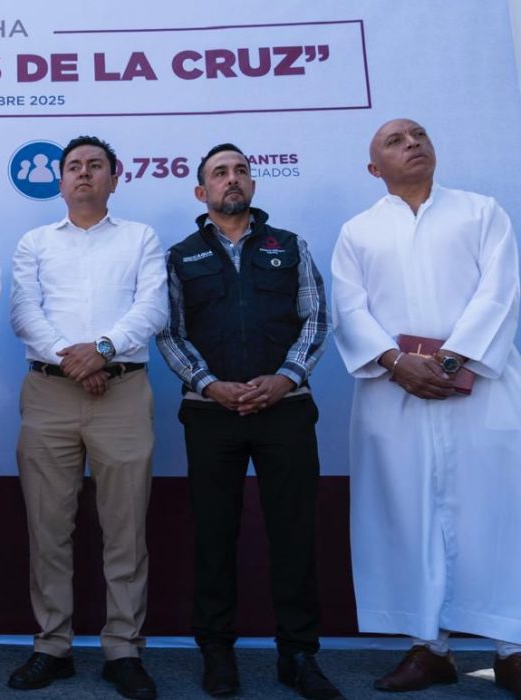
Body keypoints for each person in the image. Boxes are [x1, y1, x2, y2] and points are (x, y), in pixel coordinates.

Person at [331, 118, 521, 698]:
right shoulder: (358, 232)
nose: (412, 143)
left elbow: (499, 290)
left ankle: (512, 649)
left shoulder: (481, 211)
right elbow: (350, 309)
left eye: (418, 135)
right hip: (395, 395)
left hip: (482, 388)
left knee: (498, 513)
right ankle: (427, 649)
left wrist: (452, 359)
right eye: (395, 140)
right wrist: (394, 362)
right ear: (373, 169)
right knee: (405, 515)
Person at [155, 144, 340, 699]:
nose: (231, 180)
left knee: (294, 534)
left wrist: (285, 377)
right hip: (211, 413)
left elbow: (315, 320)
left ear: (253, 185)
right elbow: (169, 331)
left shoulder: (290, 246)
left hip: (284, 409)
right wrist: (209, 383)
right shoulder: (180, 255)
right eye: (219, 173)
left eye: (240, 171)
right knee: (214, 535)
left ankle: (299, 656)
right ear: (201, 191)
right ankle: (217, 652)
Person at [8, 135, 167, 700]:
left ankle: (123, 647)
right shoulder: (34, 243)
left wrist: (101, 348)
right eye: (73, 167)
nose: (83, 174)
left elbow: (152, 307)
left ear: (114, 177)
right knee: (49, 529)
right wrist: (76, 361)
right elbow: (24, 311)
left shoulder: (141, 238)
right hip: (50, 393)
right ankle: (52, 644)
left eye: (94, 166)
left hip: (122, 392)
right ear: (59, 179)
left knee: (125, 528)